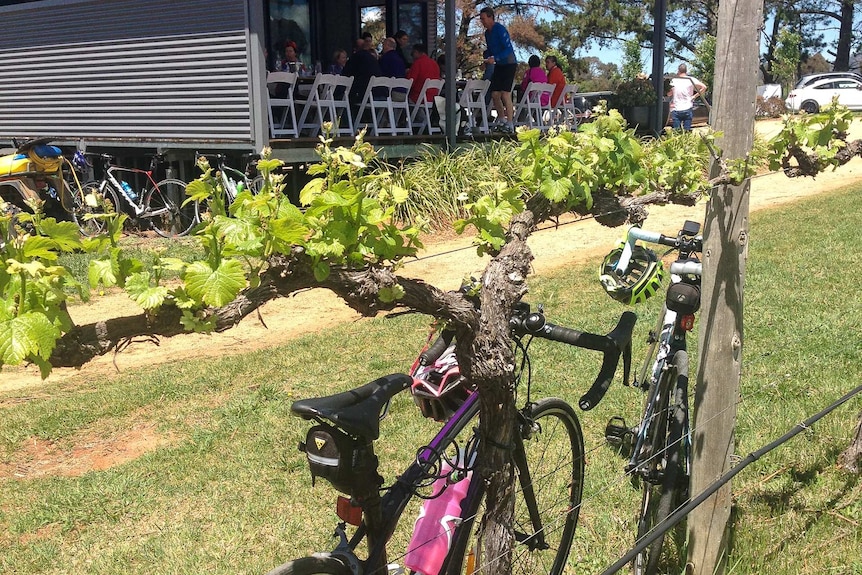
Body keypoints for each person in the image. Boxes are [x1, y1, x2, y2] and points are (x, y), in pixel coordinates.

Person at [479, 7, 517, 133]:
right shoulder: (487, 33)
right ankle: (502, 120)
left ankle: (510, 123)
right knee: (495, 94)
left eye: (483, 19)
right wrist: (486, 59)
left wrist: (495, 58)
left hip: (509, 64)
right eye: (481, 19)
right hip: (499, 65)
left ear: (490, 17)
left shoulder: (500, 29)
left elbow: (508, 49)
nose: (482, 22)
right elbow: (490, 50)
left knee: (505, 94)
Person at [342, 37, 382, 110]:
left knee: (342, 97)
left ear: (355, 49)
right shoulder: (373, 59)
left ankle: (347, 120)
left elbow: (345, 76)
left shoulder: (355, 58)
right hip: (378, 93)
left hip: (363, 95)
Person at [668, 63, 707, 131]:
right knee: (687, 131)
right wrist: (694, 96)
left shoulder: (674, 80)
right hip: (687, 107)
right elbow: (704, 87)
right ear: (686, 71)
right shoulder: (690, 79)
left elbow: (669, 94)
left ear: (678, 71)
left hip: (676, 108)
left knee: (676, 132)